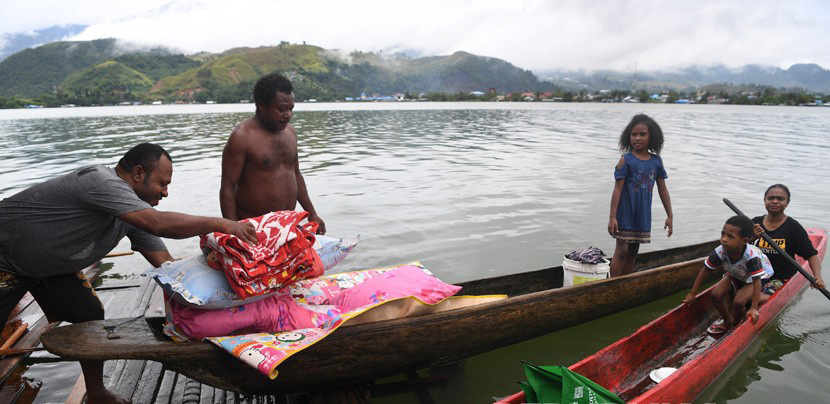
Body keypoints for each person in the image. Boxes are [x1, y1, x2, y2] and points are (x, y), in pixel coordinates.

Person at [0, 143, 257, 404]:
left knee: (89, 316)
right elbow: (158, 223)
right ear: (137, 173)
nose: (165, 193)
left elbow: (167, 267)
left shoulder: (131, 215)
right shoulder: (100, 181)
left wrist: (217, 278)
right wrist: (224, 224)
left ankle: (97, 393)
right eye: (162, 183)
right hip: (5, 256)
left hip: (50, 267)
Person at [220, 73, 326, 232]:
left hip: (288, 225)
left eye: (291, 109)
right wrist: (233, 229)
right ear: (261, 105)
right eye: (282, 109)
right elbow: (227, 188)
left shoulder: (290, 133)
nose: (288, 115)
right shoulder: (242, 137)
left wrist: (312, 214)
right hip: (255, 228)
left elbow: (296, 175)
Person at [683, 216, 773, 334]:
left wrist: (753, 308)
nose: (724, 239)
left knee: (738, 301)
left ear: (745, 240)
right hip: (737, 273)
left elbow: (757, 282)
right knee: (715, 294)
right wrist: (692, 293)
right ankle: (727, 321)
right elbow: (705, 270)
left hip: (757, 277)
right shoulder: (720, 251)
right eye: (723, 234)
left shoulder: (752, 257)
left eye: (730, 237)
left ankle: (736, 324)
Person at [607, 114, 673, 277]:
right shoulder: (626, 160)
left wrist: (669, 215)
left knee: (633, 252)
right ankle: (610, 286)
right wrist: (612, 217)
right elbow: (617, 190)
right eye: (634, 134)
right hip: (625, 213)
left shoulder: (656, 161)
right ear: (628, 137)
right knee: (621, 250)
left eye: (642, 134)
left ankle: (625, 283)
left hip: (642, 214)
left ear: (652, 137)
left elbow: (662, 189)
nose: (637, 138)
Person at [752, 184, 824, 302]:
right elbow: (739, 245)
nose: (775, 201)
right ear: (764, 200)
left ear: (787, 202)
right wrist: (752, 237)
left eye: (780, 199)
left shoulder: (793, 227)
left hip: (779, 278)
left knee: (753, 298)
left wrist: (817, 277)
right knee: (736, 295)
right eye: (771, 198)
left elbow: (811, 254)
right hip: (756, 274)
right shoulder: (755, 223)